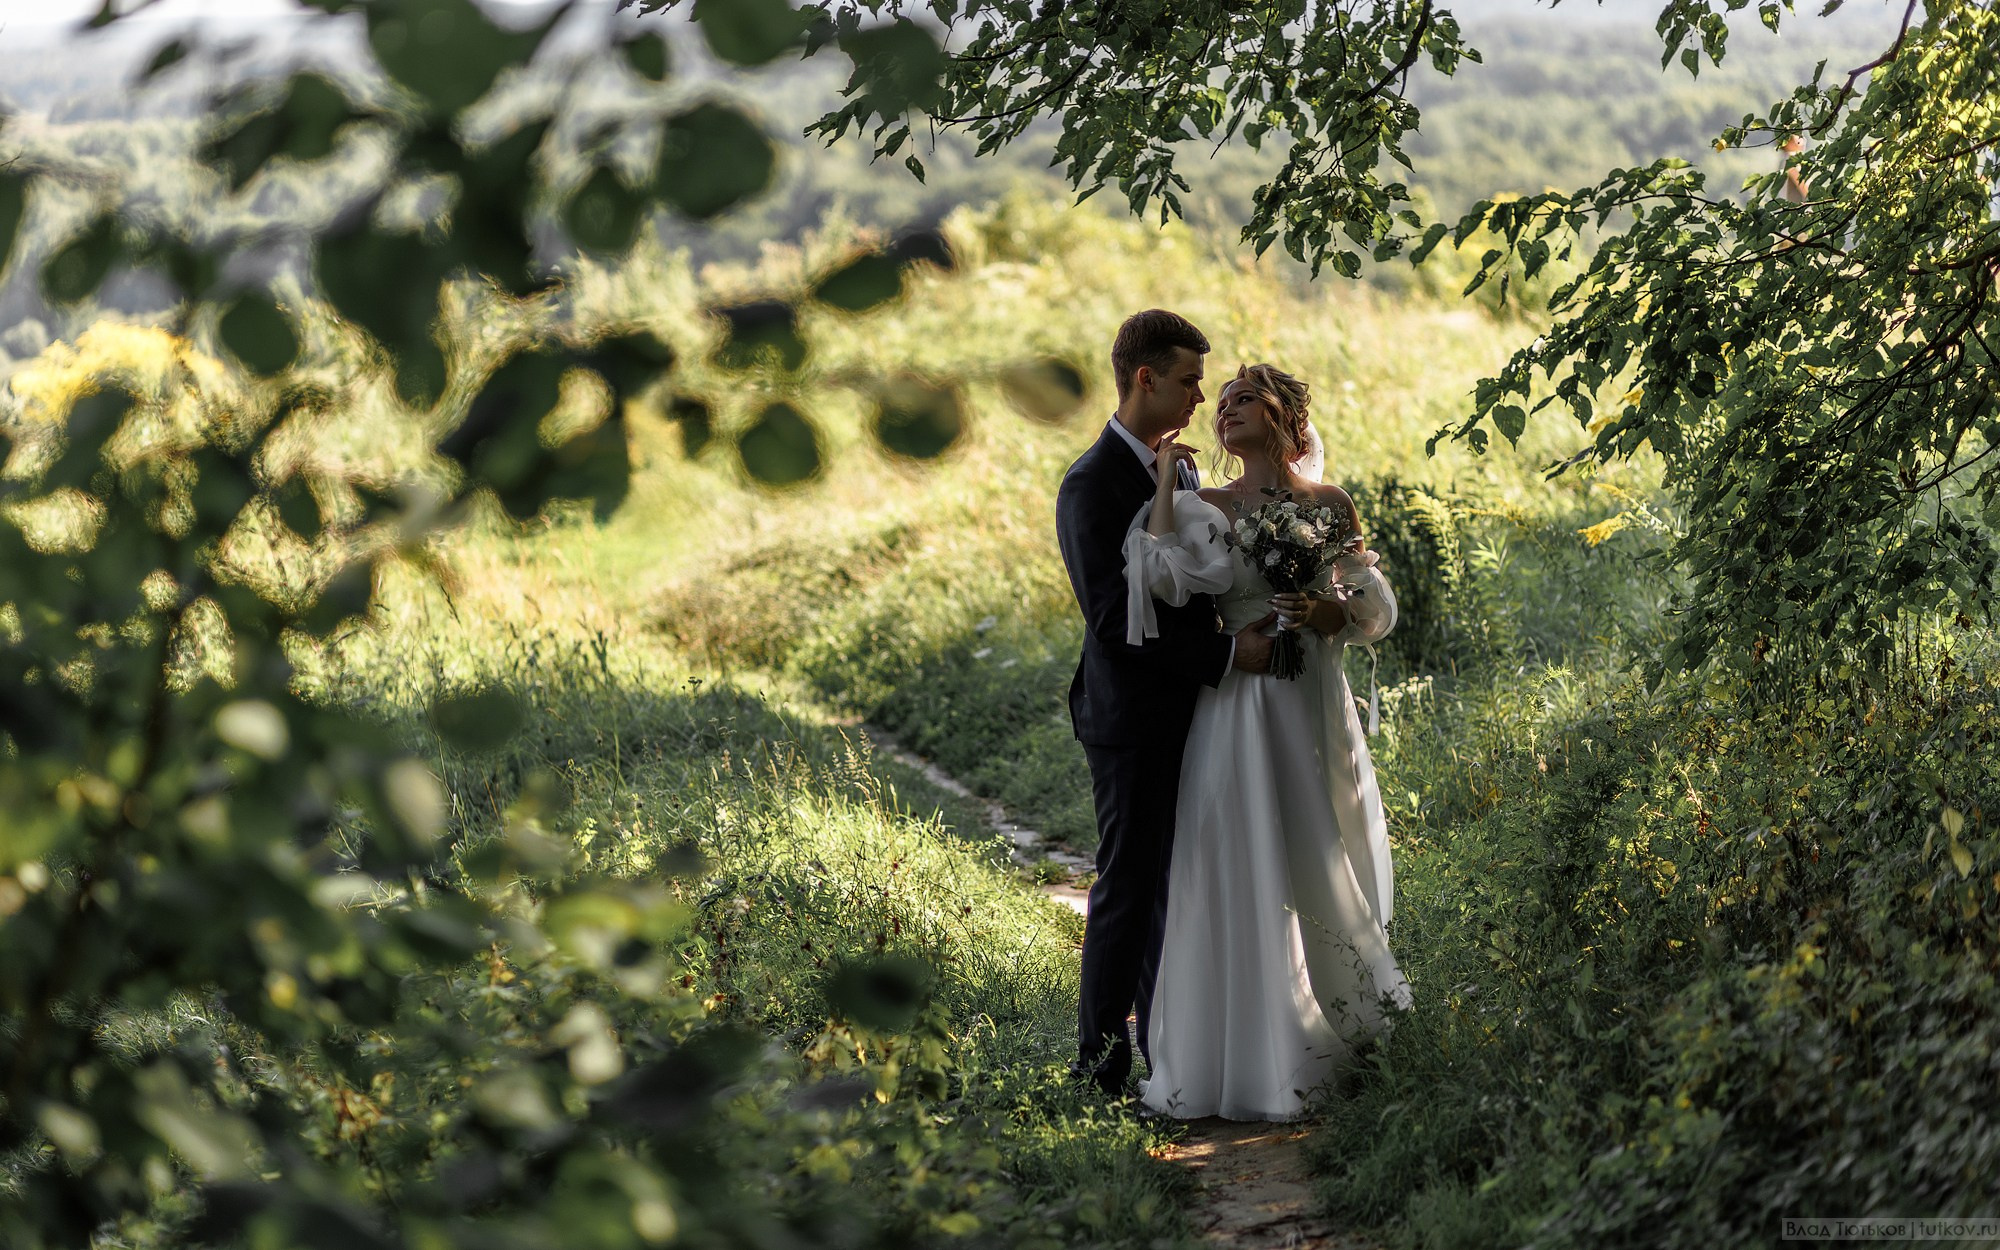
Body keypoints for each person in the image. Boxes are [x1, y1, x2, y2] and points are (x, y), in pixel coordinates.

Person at [1127, 363, 1413, 1122]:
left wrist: (1327, 613)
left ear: (1284, 414)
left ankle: (1343, 1034)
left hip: (1312, 698)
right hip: (1242, 701)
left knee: (1321, 849)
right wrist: (1163, 483)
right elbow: (1158, 579)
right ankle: (1247, 1053)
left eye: (1243, 399)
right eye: (1219, 403)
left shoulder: (1330, 502)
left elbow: (1371, 604)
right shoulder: (1205, 505)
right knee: (1242, 857)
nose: (1225, 410)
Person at [1055, 310, 1278, 1098]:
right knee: (1130, 883)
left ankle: (1168, 1052)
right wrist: (1224, 653)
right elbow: (1114, 621)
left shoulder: (1177, 472)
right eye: (1188, 380)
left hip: (1195, 710)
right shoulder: (1091, 484)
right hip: (1131, 718)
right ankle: (1097, 1060)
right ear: (1144, 378)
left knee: (1175, 884)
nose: (1199, 397)